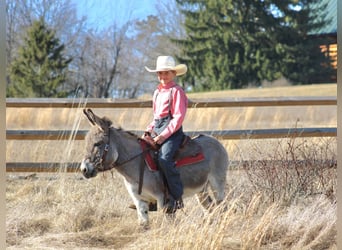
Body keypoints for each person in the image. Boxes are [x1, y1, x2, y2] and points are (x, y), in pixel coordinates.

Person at [143, 55, 188, 214]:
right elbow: (156, 117)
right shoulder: (157, 92)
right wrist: (148, 130)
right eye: (160, 73)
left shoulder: (177, 91)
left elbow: (178, 117)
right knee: (144, 156)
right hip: (158, 128)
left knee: (164, 159)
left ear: (174, 74)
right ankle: (152, 197)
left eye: (166, 73)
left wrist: (162, 136)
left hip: (173, 132)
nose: (163, 77)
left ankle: (176, 198)